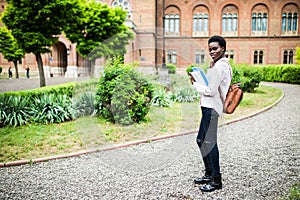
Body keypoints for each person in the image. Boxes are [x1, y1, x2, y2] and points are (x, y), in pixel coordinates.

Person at [190, 36, 232, 192]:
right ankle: (209, 173)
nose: (212, 52)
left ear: (223, 48)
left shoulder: (220, 66)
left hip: (212, 108)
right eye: (210, 49)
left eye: (215, 48)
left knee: (209, 142)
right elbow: (212, 86)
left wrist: (195, 85)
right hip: (208, 107)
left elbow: (210, 90)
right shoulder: (217, 65)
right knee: (201, 139)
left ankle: (216, 180)